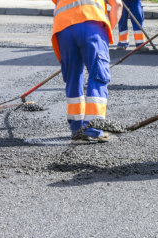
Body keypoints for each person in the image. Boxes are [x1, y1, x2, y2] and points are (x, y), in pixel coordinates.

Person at [51, 0, 122, 142]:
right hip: (92, 23)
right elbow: (117, 4)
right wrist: (108, 31)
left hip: (63, 28)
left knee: (72, 77)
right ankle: (93, 129)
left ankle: (77, 129)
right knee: (98, 75)